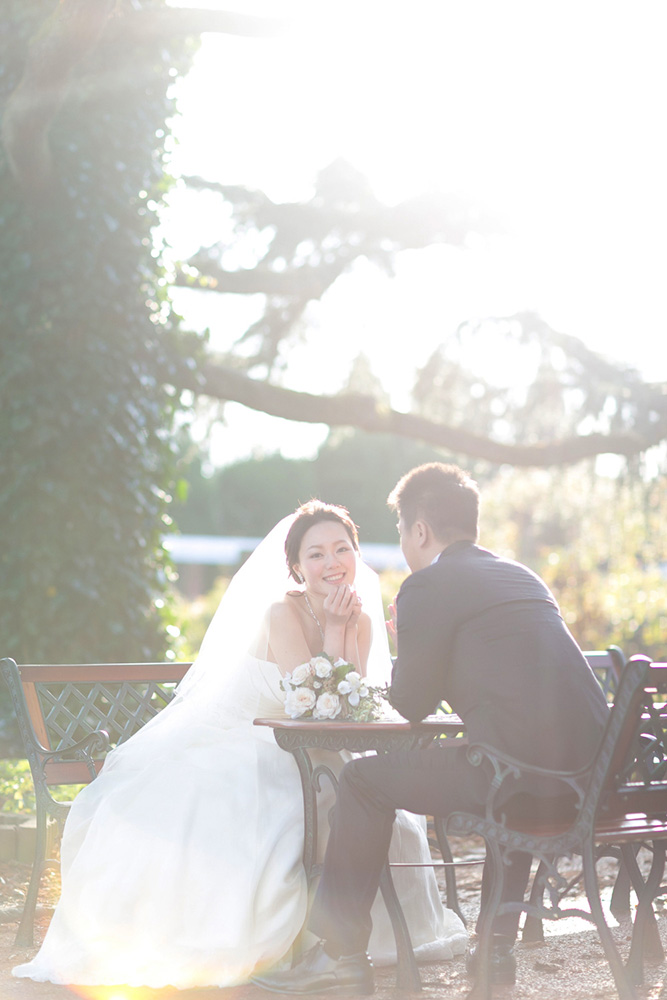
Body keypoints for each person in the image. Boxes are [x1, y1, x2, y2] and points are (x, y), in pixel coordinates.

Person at [13, 500, 466, 989]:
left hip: (319, 746)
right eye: (316, 554)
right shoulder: (281, 612)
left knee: (366, 797)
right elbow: (310, 703)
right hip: (255, 736)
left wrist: (348, 629)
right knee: (245, 802)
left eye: (342, 549)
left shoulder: (362, 617)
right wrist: (335, 630)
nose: (332, 562)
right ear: (295, 566)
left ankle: (343, 944)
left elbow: (352, 702)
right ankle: (269, 941)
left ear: (357, 555)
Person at [252, 465, 610, 996]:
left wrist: (416, 647)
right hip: (591, 776)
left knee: (363, 782)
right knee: (501, 794)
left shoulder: (428, 586)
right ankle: (494, 952)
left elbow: (410, 703)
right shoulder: (521, 575)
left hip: (514, 773)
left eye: (400, 531)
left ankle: (340, 955)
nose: (401, 545)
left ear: (419, 531)